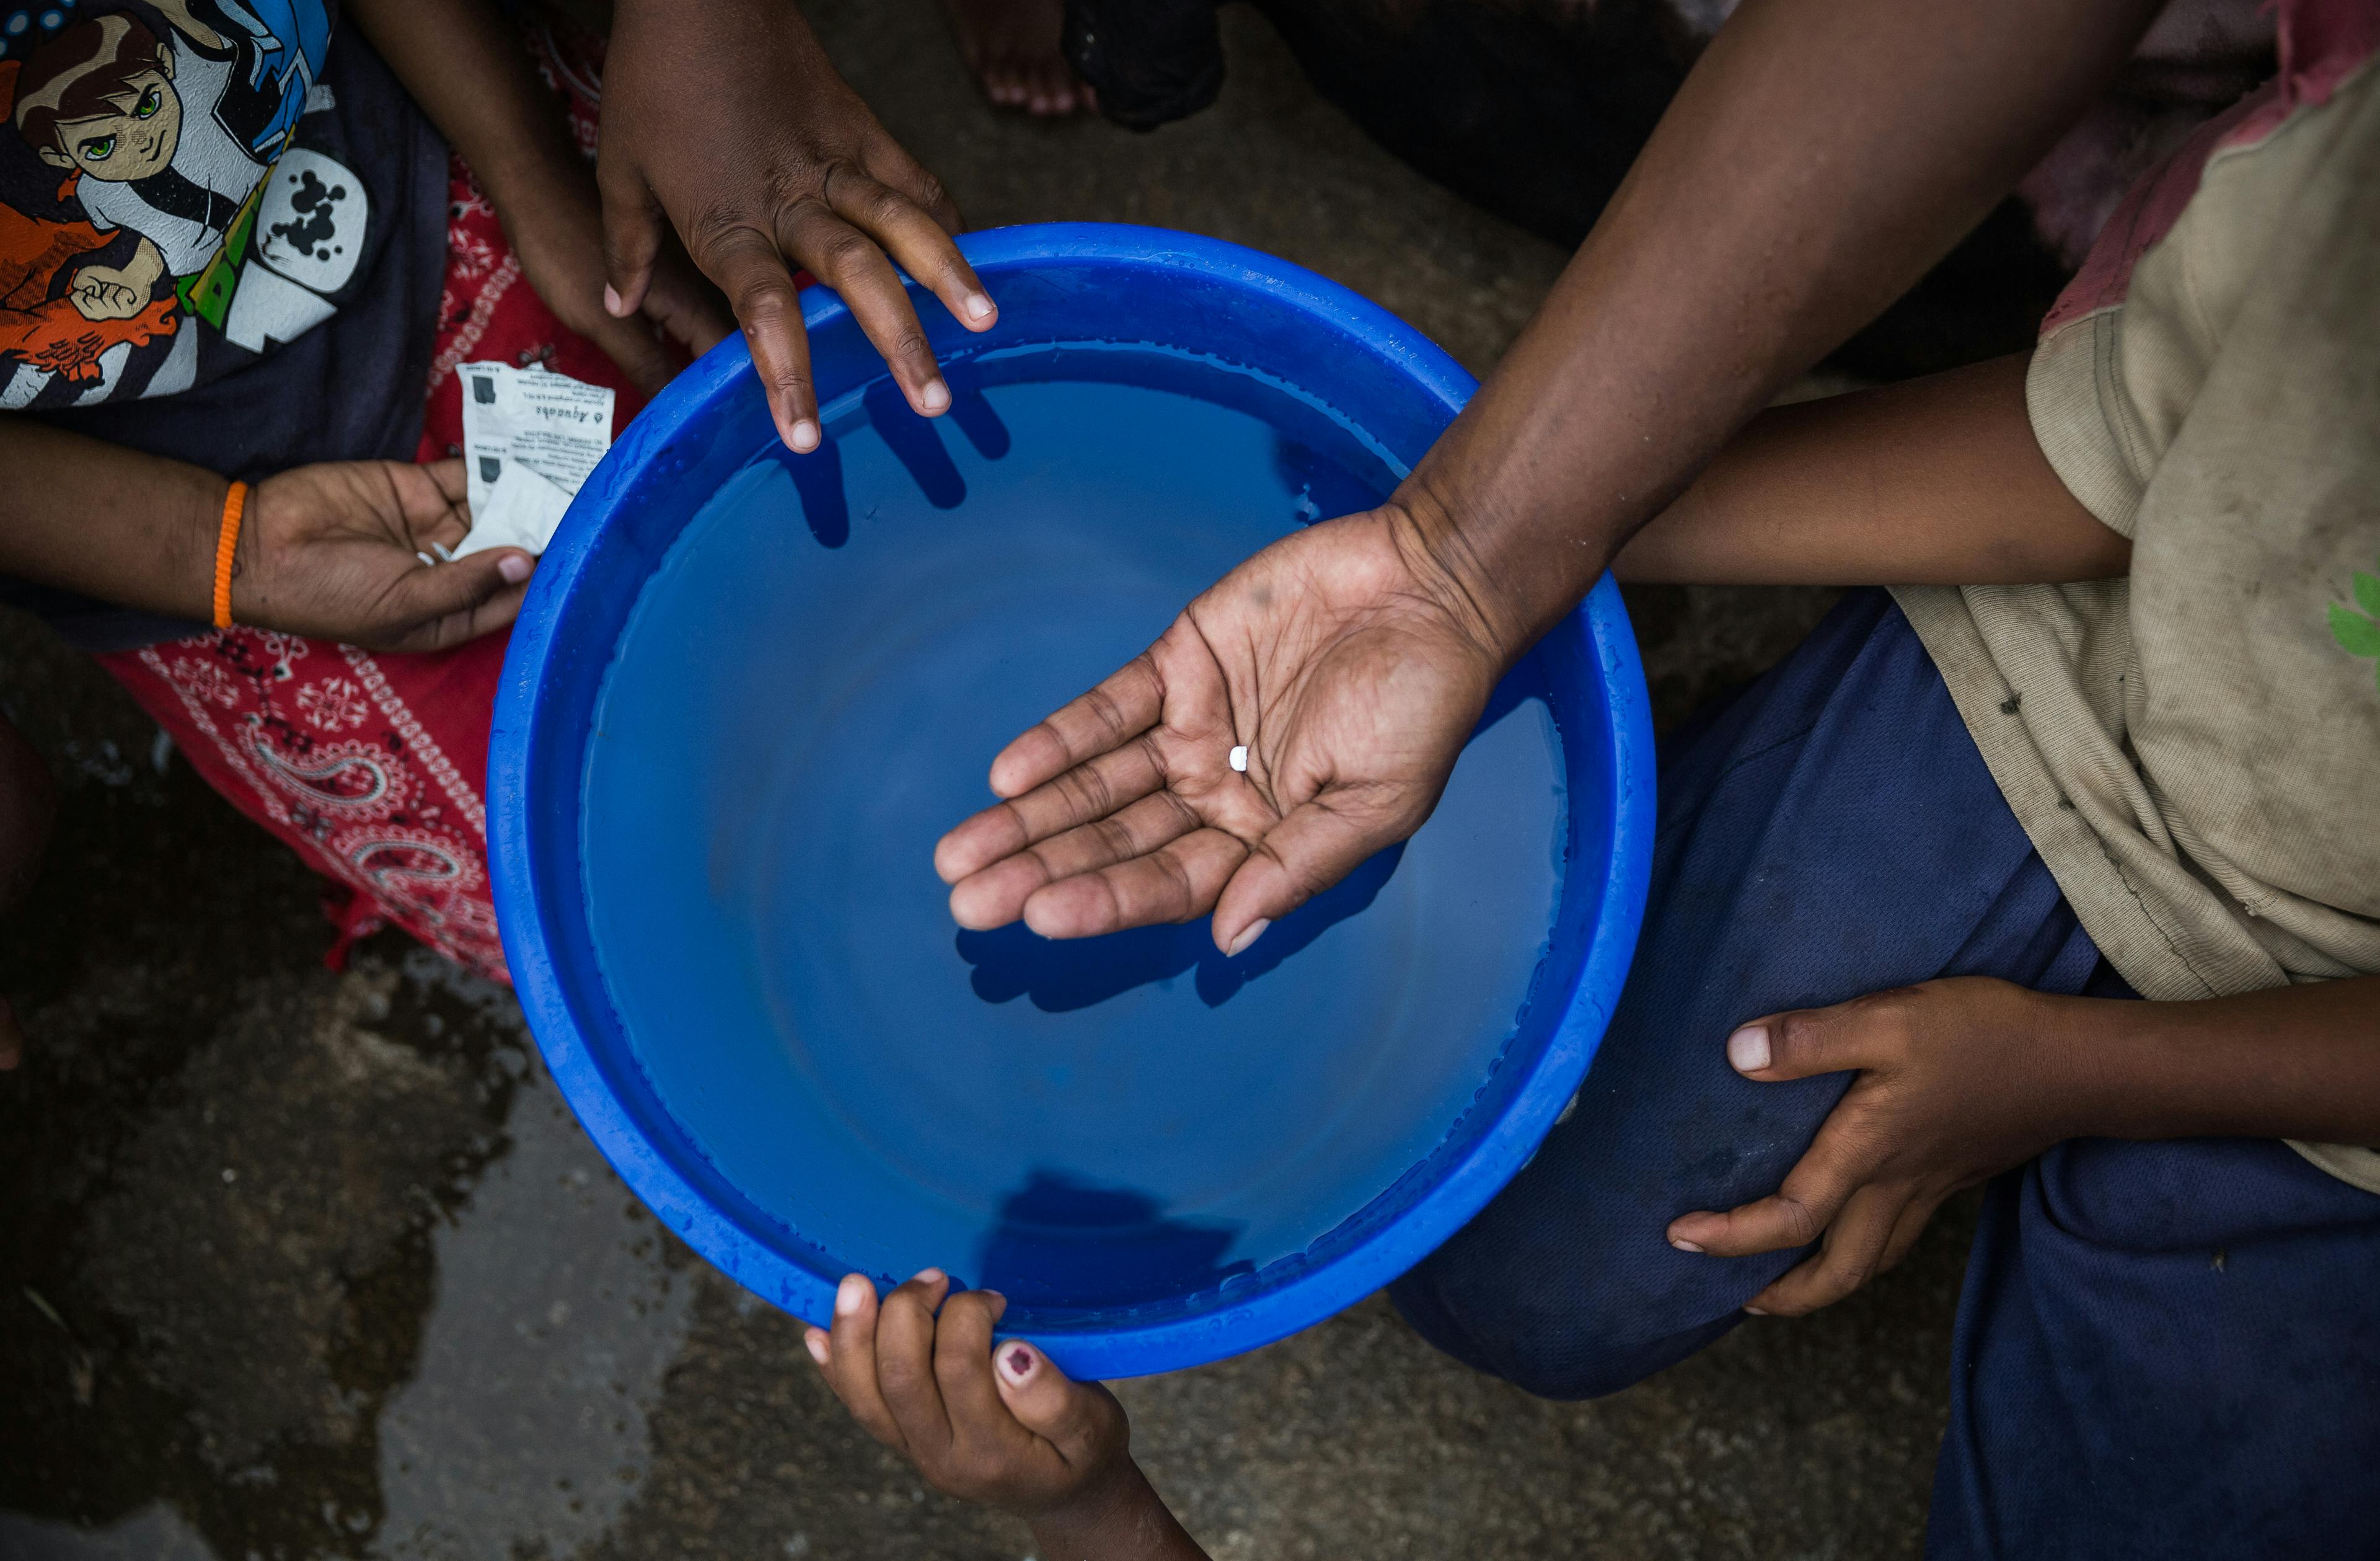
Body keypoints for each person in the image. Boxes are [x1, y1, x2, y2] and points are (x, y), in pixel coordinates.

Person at [816, 0, 2376, 1551]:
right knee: (1520, 1270)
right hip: (2096, 706)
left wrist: (2064, 1075)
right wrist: (1479, 548)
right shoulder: (2345, 183)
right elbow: (2118, 441)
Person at [0, 0, 995, 1050]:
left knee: (865, 447)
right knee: (586, 896)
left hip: (433, 135)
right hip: (128, 493)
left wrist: (533, 178)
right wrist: (226, 547)